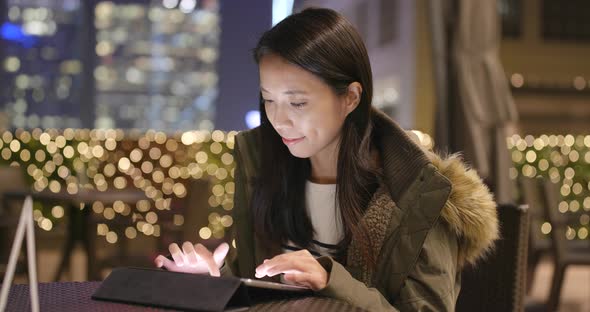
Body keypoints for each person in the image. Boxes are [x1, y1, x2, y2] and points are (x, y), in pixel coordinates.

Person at [155, 7, 498, 311]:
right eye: (269, 100)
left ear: (350, 97)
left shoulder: (415, 194)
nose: (279, 120)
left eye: (298, 102)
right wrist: (213, 281)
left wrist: (331, 280)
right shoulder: (266, 173)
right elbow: (256, 283)